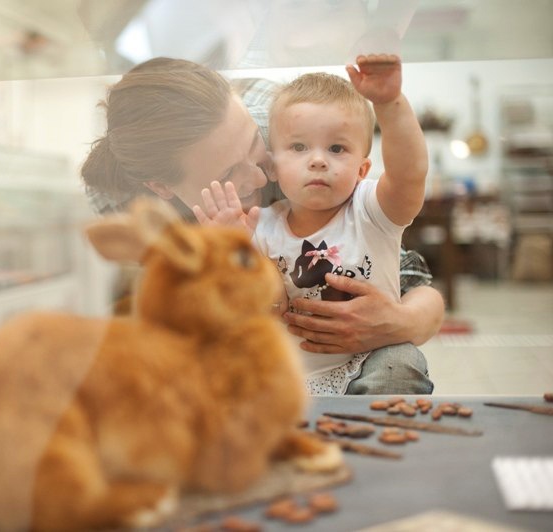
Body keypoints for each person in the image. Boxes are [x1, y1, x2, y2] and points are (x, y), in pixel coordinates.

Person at [81, 57, 443, 394]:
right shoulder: (124, 210)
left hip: (361, 362)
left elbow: (408, 275)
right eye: (228, 174)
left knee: (398, 363)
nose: (259, 177)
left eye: (256, 143)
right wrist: (226, 259)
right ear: (161, 187)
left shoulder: (295, 128)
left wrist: (400, 322)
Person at [195, 54, 429, 394]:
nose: (318, 160)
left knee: (401, 361)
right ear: (273, 167)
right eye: (299, 147)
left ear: (362, 169)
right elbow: (258, 307)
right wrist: (231, 252)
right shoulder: (260, 226)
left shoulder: (371, 210)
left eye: (336, 148)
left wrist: (389, 103)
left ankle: (374, 424)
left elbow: (409, 175)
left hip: (367, 365)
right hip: (284, 377)